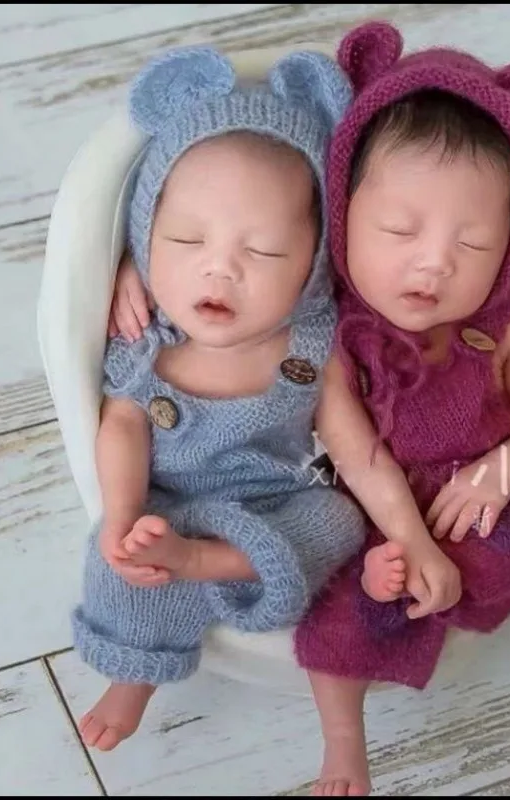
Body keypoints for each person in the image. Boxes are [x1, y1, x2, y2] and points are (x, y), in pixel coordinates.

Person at [107, 21, 510, 795]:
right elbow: (236, 230)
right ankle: (343, 737)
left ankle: (435, 582)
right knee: (351, 587)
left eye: (476, 243)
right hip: (362, 502)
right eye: (398, 229)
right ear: (342, 215)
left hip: (469, 497)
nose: (433, 262)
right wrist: (136, 266)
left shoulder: (505, 326)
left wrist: (500, 473)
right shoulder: (322, 310)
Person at [71, 43, 367, 753]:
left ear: (315, 261)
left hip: (274, 498)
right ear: (147, 242)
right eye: (185, 239)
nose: (220, 268)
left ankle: (205, 564)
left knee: (338, 522)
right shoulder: (147, 339)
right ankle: (135, 675)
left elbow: (353, 445)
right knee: (117, 561)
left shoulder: (312, 341)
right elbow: (121, 422)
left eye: (263, 253)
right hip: (166, 500)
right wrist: (123, 513)